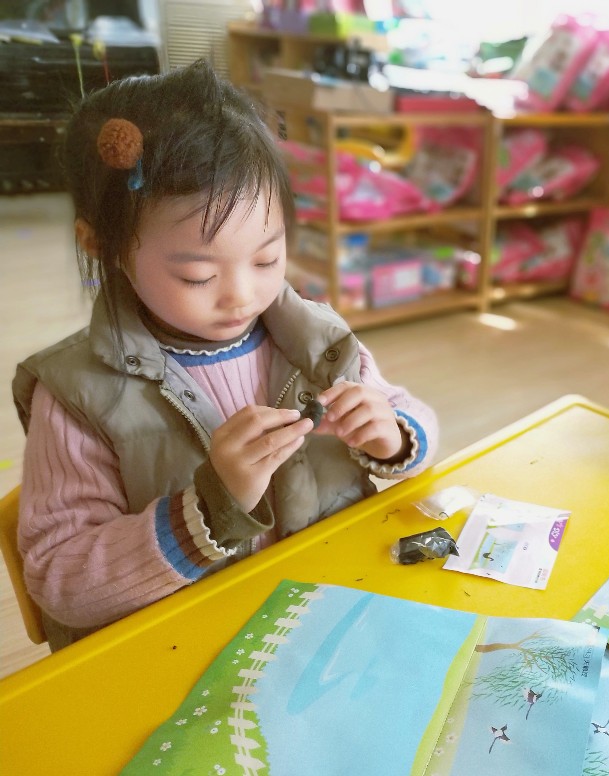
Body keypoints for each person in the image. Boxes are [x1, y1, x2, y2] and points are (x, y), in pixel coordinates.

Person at [12, 61, 438, 649]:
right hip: (190, 648)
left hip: (325, 620)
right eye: (198, 275)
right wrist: (209, 510)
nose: (242, 295)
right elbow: (60, 580)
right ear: (103, 246)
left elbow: (413, 421)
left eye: (267, 258)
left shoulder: (317, 342)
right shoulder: (78, 394)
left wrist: (394, 436)